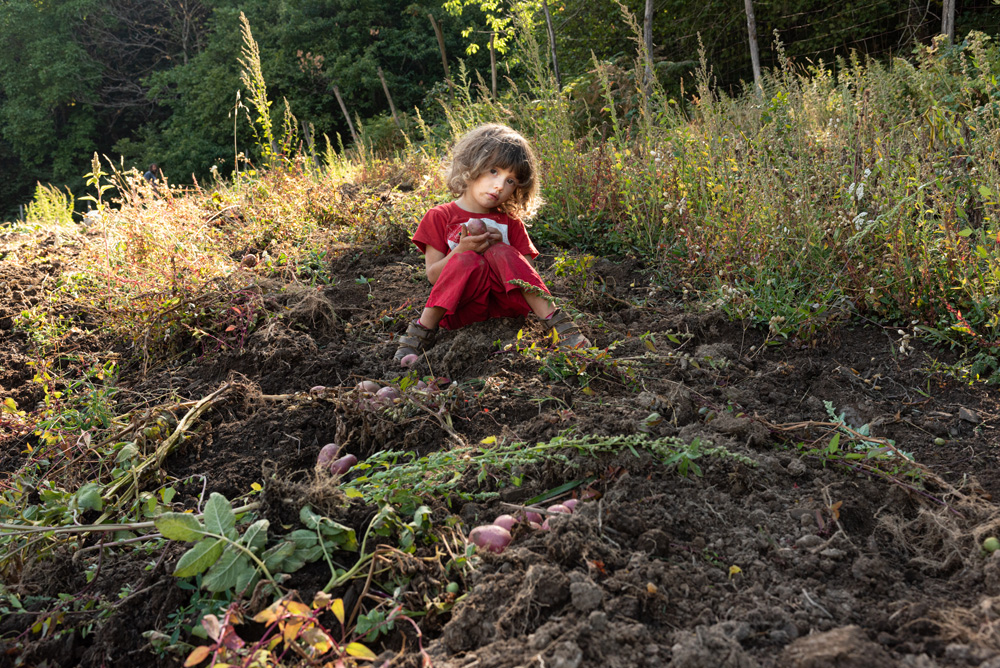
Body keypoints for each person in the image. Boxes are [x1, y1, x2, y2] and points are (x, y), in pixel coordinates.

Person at [394, 123, 590, 365]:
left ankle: (562, 327)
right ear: (471, 164)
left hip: (507, 311)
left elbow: (530, 276)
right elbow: (434, 277)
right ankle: (419, 334)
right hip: (461, 311)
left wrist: (503, 248)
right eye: (494, 171)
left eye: (511, 181)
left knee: (501, 251)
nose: (499, 186)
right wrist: (462, 250)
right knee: (466, 259)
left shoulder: (511, 223)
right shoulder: (440, 217)